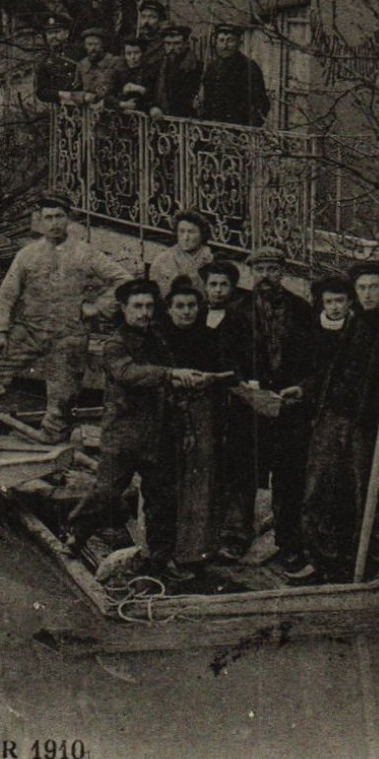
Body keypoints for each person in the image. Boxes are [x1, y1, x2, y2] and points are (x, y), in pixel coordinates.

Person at [0, 193, 131, 459]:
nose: (54, 223)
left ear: (68, 219)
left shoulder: (85, 253)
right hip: (29, 330)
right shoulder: (27, 255)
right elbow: (5, 296)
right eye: (48, 217)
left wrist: (95, 307)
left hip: (69, 334)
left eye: (59, 216)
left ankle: (55, 447)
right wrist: (0, 332)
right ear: (40, 221)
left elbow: (124, 282)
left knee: (62, 395)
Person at [62, 280, 208, 579]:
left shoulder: (158, 339)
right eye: (138, 306)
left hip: (160, 433)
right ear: (124, 309)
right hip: (124, 434)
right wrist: (170, 374)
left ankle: (159, 558)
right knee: (107, 491)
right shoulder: (114, 344)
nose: (144, 313)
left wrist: (187, 419)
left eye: (149, 306)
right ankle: (75, 535)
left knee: (162, 500)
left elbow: (171, 387)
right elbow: (128, 374)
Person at [300, 263, 379, 583]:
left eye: (374, 287)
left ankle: (362, 560)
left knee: (363, 490)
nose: (368, 293)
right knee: (321, 485)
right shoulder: (350, 322)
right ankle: (323, 557)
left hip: (370, 422)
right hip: (334, 415)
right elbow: (328, 366)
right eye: (363, 288)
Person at [272, 274, 354, 577]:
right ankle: (291, 546)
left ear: (349, 302)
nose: (334, 307)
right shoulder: (307, 331)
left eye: (340, 301)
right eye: (329, 301)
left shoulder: (356, 332)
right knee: (291, 479)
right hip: (301, 417)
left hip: (337, 418)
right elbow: (301, 372)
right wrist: (302, 390)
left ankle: (333, 552)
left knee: (331, 484)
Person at [240, 246, 314, 577]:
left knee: (289, 477)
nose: (266, 276)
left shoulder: (301, 310)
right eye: (260, 269)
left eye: (272, 269)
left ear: (282, 273)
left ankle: (289, 544)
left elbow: (316, 359)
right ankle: (239, 537)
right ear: (250, 273)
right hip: (248, 407)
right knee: (246, 475)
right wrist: (244, 385)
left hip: (289, 407)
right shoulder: (238, 310)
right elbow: (228, 356)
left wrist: (300, 387)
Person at [159, 282, 235, 570]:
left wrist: (210, 379)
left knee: (200, 477)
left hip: (203, 411)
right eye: (180, 306)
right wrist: (172, 379)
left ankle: (195, 549)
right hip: (167, 412)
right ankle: (164, 547)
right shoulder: (160, 338)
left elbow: (230, 370)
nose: (187, 311)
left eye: (192, 306)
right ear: (169, 309)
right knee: (167, 478)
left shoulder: (209, 337)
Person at [199, 259, 256, 558]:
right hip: (204, 402)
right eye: (213, 284)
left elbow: (248, 360)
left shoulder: (241, 319)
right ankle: (206, 530)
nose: (217, 290)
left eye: (223, 285)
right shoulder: (194, 315)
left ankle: (236, 533)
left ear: (232, 288)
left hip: (234, 402)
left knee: (237, 466)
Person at [198, 24, 270, 127]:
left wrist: (249, 129)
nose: (225, 46)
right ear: (216, 43)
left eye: (230, 41)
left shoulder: (248, 67)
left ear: (239, 44)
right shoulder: (212, 67)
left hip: (237, 130)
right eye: (221, 41)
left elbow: (262, 104)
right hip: (211, 128)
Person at [148, 211, 215, 298]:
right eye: (181, 232)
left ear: (202, 234)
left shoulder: (211, 258)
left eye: (191, 232)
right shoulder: (162, 260)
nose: (185, 237)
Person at [152, 23, 202, 119]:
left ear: (186, 44)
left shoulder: (196, 67)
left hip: (187, 120)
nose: (171, 48)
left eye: (176, 43)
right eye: (168, 44)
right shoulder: (159, 67)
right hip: (163, 118)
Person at [33, 16, 81, 107]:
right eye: (49, 33)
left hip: (87, 107)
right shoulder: (44, 61)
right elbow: (41, 91)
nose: (53, 36)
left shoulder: (79, 53)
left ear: (66, 33)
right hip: (62, 110)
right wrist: (63, 94)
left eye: (57, 32)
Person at [75, 28, 126, 106]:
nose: (93, 48)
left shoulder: (115, 62)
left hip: (111, 109)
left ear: (103, 45)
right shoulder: (82, 64)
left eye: (96, 44)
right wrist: (84, 97)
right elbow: (76, 91)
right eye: (89, 44)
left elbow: (123, 87)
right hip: (88, 111)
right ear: (85, 46)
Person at [115, 38, 158, 114]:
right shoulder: (118, 72)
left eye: (136, 53)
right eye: (128, 53)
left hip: (144, 119)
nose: (133, 57)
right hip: (121, 118)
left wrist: (142, 90)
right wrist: (122, 104)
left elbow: (156, 96)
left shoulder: (150, 71)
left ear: (143, 53)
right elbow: (108, 96)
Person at [132, 0, 167, 68]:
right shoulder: (135, 41)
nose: (146, 21)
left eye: (152, 17)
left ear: (161, 21)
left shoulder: (165, 44)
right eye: (143, 17)